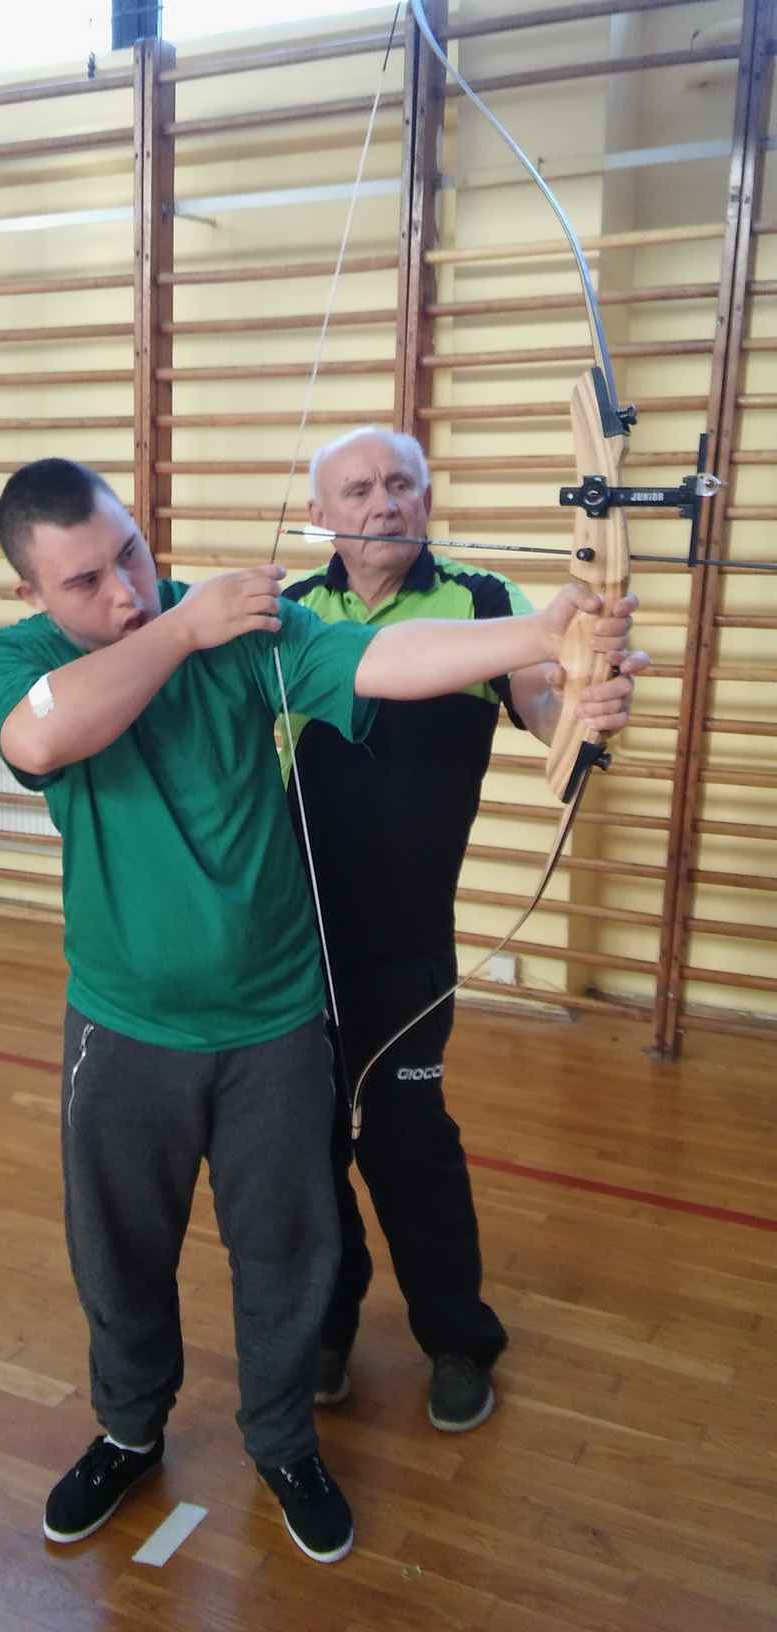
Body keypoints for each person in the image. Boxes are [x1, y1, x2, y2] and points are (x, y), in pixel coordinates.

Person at [0, 457, 629, 1564]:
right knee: (120, 1250)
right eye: (85, 581)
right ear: (32, 594)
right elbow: (39, 738)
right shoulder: (20, 659)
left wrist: (541, 634)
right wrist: (177, 634)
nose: (127, 589)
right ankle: (129, 1430)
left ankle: (283, 1443)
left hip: (274, 1018)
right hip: (124, 1025)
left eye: (131, 552)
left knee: (286, 1248)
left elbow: (380, 660)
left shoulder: (240, 628)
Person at [280, 426, 649, 1433]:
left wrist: (588, 700)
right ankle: (326, 1326)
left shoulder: (483, 601)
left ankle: (455, 1337)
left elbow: (545, 706)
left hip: (407, 938)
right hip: (290, 939)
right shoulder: (291, 613)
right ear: (321, 512)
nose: (384, 502)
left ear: (428, 498)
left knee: (408, 1139)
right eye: (359, 488)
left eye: (401, 483)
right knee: (305, 1140)